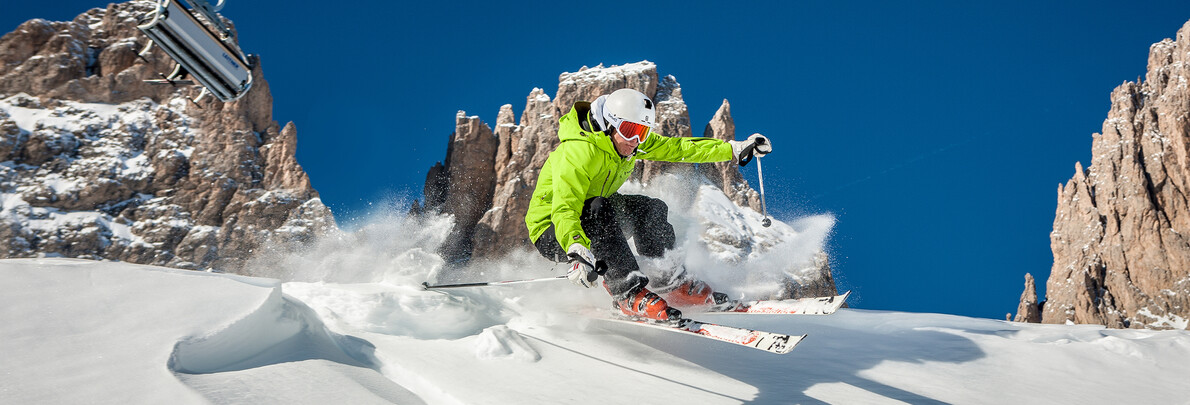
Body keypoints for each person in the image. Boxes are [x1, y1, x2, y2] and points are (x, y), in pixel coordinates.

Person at [524, 88, 772, 321]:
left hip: (597, 216)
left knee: (650, 209)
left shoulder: (628, 144)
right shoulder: (579, 153)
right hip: (555, 230)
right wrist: (576, 248)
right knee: (598, 208)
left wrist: (733, 149)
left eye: (641, 132)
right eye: (629, 129)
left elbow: (678, 148)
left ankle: (669, 282)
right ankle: (626, 293)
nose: (635, 140)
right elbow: (565, 207)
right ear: (608, 123)